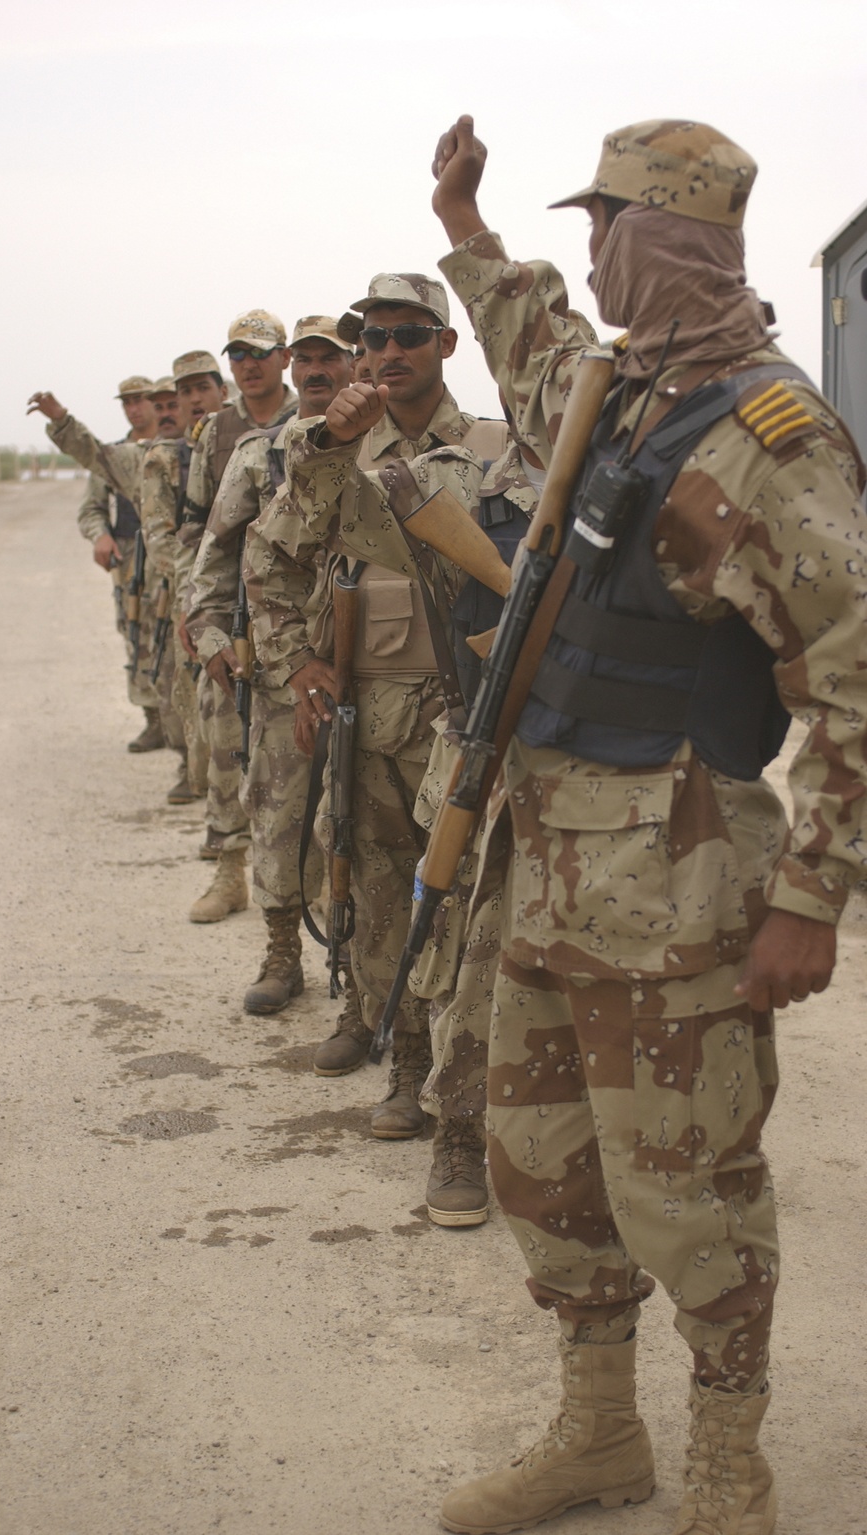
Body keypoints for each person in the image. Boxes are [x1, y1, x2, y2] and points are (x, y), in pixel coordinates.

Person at [421, 114, 867, 1535]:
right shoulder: (614, 387)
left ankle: (730, 1465)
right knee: (546, 1167)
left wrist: (816, 889)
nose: (588, 255)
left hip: (676, 878)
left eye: (599, 227)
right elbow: (531, 338)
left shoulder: (768, 434)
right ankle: (601, 1434)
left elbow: (856, 670)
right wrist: (471, 236)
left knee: (692, 1186)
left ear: (661, 236)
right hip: (547, 863)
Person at [245, 272, 506, 1133]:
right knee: (375, 879)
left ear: (446, 344)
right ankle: (402, 1053)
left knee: (463, 895)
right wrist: (296, 665)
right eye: (375, 338)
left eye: (408, 334)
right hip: (366, 703)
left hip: (459, 708)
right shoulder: (327, 449)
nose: (388, 351)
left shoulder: (496, 445)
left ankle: (463, 1075)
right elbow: (270, 558)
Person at [183, 316, 355, 1010]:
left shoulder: (381, 447)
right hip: (287, 668)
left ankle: (364, 964)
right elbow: (215, 557)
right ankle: (284, 951)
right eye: (307, 360)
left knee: (362, 823)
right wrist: (211, 637)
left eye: (330, 359)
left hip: (375, 667)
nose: (317, 371)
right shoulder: (259, 454)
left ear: (353, 366)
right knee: (279, 813)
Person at [179, 310, 298, 924]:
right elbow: (195, 527)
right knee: (223, 732)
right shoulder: (215, 432)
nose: (248, 365)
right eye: (237, 355)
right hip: (232, 611)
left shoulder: (315, 415)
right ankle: (231, 874)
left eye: (259, 353)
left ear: (284, 357)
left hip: (299, 617)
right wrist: (194, 613)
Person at [138, 353, 227, 805]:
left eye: (201, 389)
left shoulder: (247, 441)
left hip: (244, 594)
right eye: (184, 392)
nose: (194, 400)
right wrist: (197, 585)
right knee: (193, 699)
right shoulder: (168, 458)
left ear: (221, 391)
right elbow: (158, 536)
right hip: (193, 598)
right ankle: (205, 792)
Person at [72, 375, 162, 751]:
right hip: (129, 558)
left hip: (167, 553)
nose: (134, 408)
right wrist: (100, 536)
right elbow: (90, 510)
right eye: (126, 402)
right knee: (135, 637)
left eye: (140, 400)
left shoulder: (175, 447)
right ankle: (153, 720)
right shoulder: (110, 457)